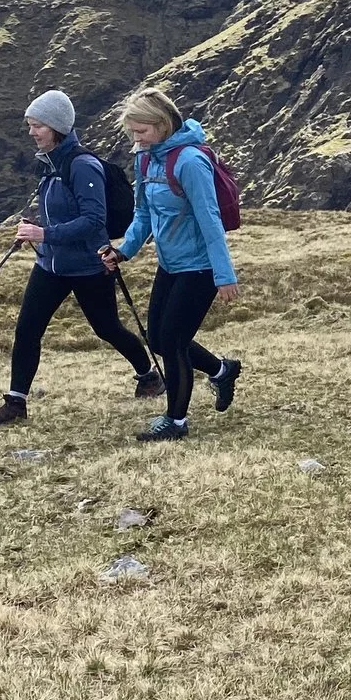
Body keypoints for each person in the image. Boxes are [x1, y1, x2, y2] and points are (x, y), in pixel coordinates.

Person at [0, 90, 162, 426]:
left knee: (107, 328)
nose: (32, 132)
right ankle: (15, 403)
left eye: (38, 126)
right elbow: (61, 214)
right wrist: (37, 228)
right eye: (30, 125)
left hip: (88, 265)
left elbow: (94, 220)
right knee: (27, 330)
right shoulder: (50, 164)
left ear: (58, 128)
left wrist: (44, 234)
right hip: (50, 265)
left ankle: (148, 375)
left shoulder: (82, 165)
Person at [100, 87, 240, 442]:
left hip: (200, 268)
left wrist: (224, 275)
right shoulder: (146, 158)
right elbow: (144, 212)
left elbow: (209, 220)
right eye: (132, 131)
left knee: (174, 341)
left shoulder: (190, 161)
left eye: (141, 131)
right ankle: (221, 370)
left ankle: (176, 421)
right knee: (159, 341)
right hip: (170, 264)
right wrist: (124, 251)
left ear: (162, 125)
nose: (136, 138)